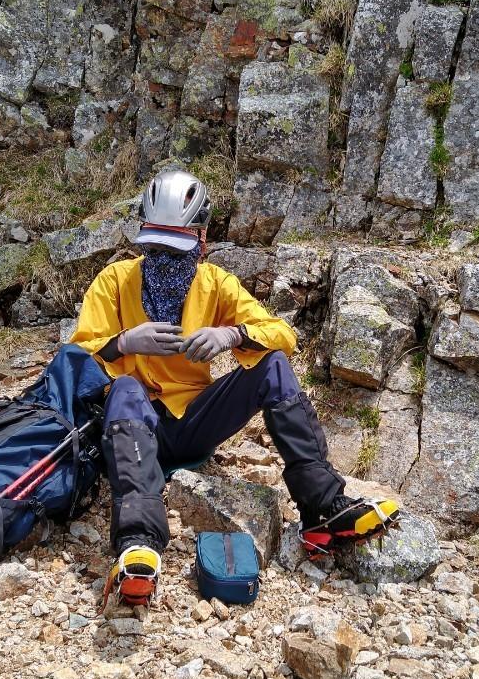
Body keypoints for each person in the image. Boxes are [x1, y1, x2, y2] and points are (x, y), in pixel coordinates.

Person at [71, 169, 399, 606]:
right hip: (131, 427)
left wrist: (235, 335)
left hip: (194, 423)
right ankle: (137, 541)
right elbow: (77, 358)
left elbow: (281, 334)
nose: (165, 260)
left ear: (201, 239)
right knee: (127, 387)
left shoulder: (215, 284)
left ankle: (322, 507)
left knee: (273, 365)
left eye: (177, 248)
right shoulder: (114, 282)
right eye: (156, 248)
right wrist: (121, 343)